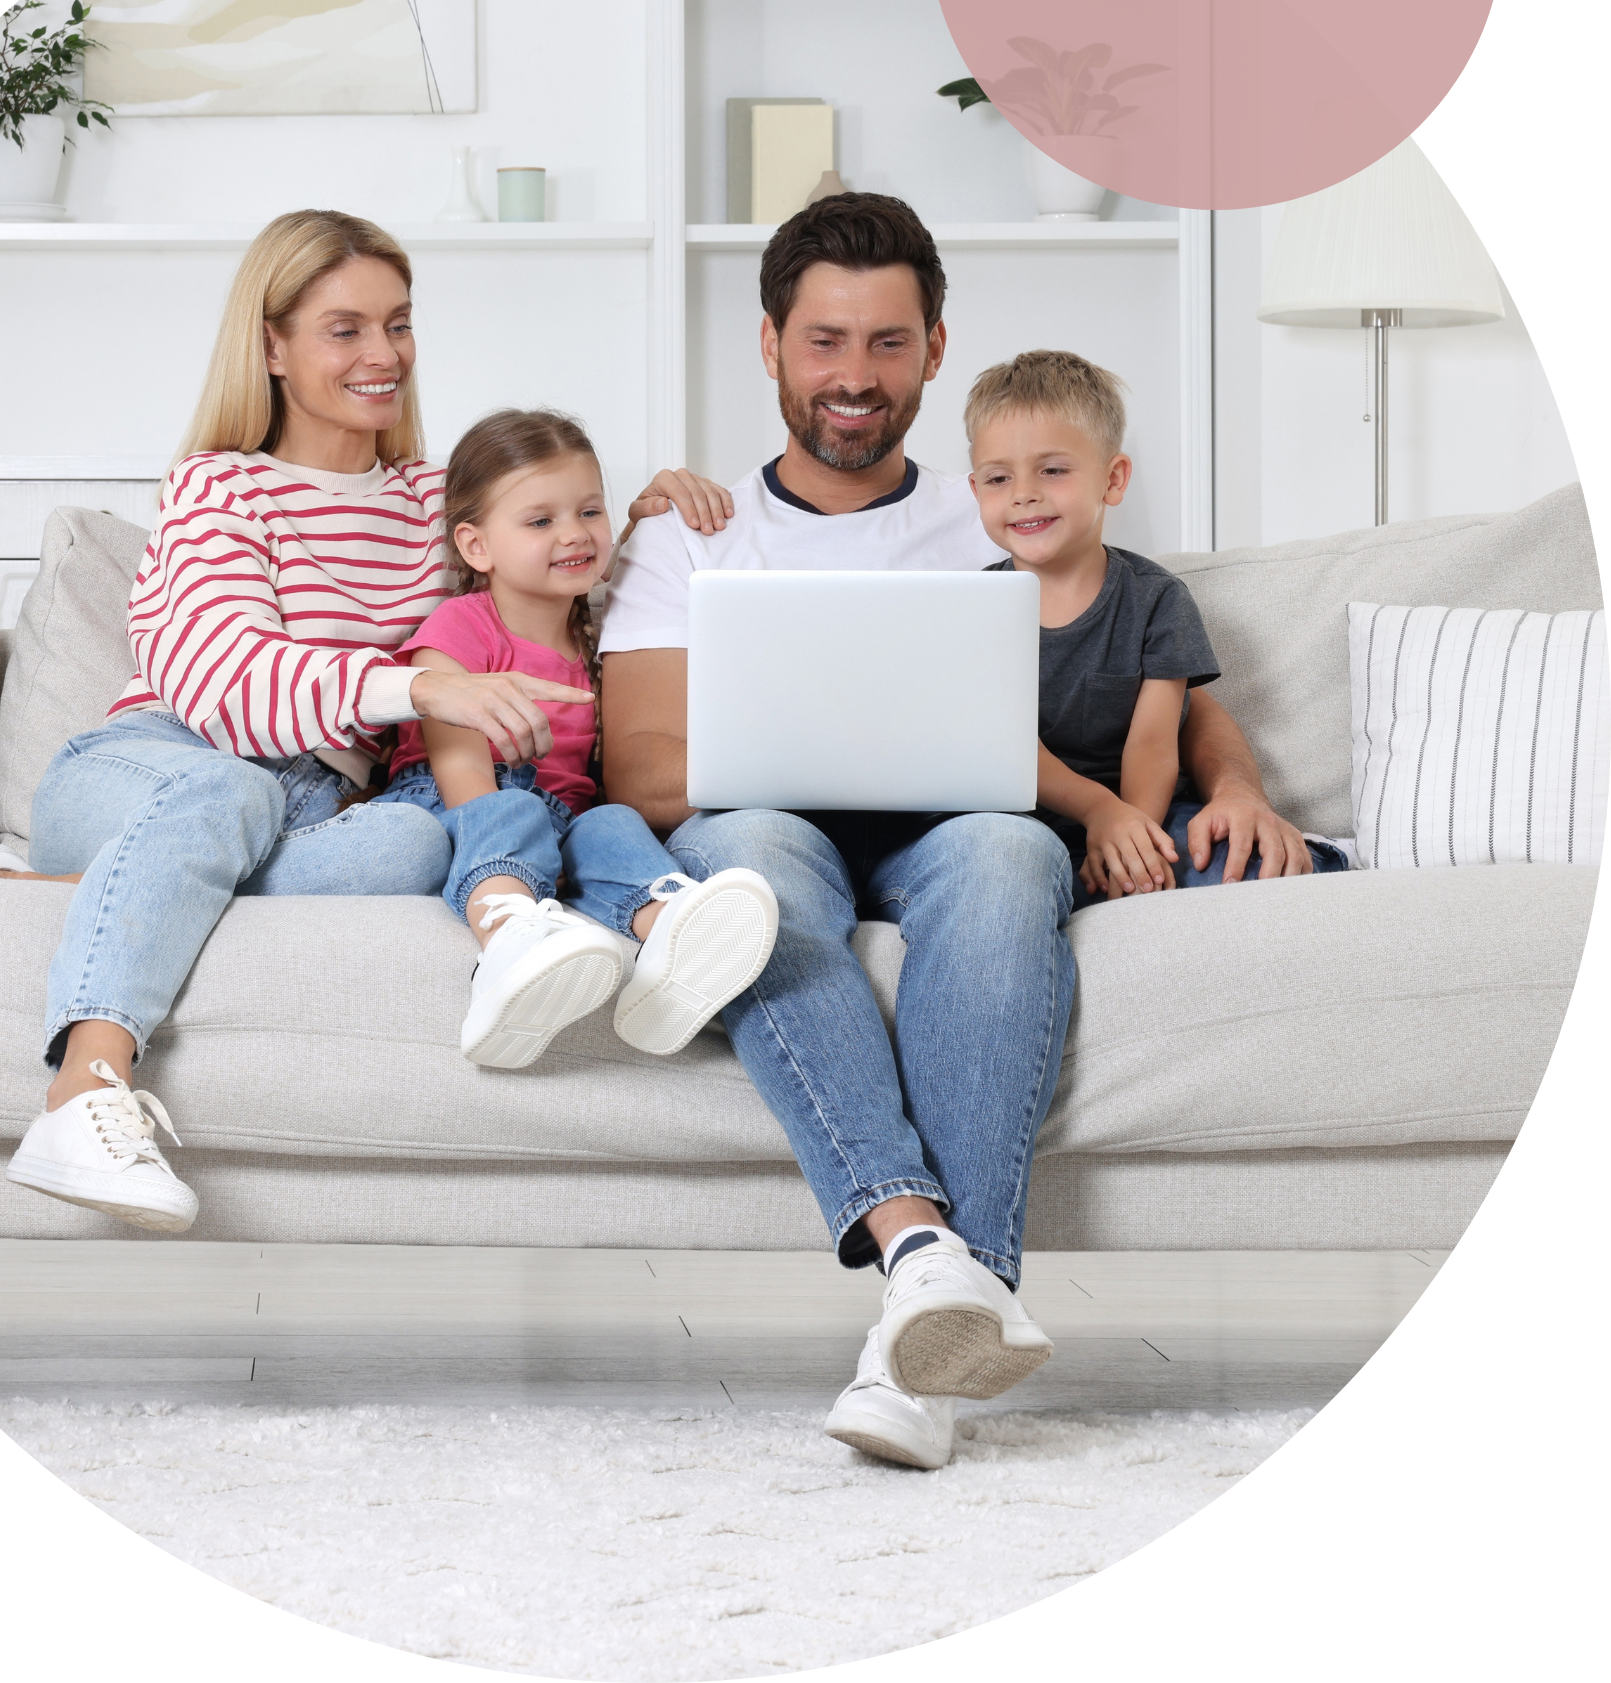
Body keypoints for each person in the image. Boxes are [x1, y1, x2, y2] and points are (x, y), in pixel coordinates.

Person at [0, 208, 733, 1235]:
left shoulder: (434, 502)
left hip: (319, 811)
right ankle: (83, 1091)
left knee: (424, 837)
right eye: (345, 329)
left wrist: (645, 521)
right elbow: (223, 679)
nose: (384, 355)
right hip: (158, 764)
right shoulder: (220, 489)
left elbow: (544, 543)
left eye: (399, 324)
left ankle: (14, 886)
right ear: (273, 347)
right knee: (230, 788)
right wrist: (416, 688)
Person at [599, 191, 1322, 1471]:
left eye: (888, 342)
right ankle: (929, 1260)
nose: (855, 377)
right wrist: (807, 747)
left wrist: (1242, 784)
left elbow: (1157, 661)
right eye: (824, 341)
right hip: (767, 824)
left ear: (937, 348)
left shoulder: (1002, 501)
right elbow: (647, 770)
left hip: (962, 822)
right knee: (752, 865)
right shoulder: (692, 532)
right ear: (769, 347)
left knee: (1009, 853)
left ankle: (921, 1336)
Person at [369, 406, 779, 1069]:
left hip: (560, 820)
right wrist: (507, 860)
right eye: (540, 521)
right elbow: (456, 759)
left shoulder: (599, 631)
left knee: (610, 820)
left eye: (590, 511)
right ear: (476, 546)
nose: (575, 534)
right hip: (462, 804)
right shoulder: (460, 623)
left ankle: (672, 933)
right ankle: (506, 942)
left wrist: (656, 522)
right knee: (518, 808)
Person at [967, 349, 1350, 907]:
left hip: (1142, 807)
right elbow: (1006, 745)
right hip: (1023, 828)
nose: (1024, 492)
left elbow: (1153, 741)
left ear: (1113, 478)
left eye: (1052, 469)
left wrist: (1133, 835)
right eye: (998, 477)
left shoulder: (1157, 599)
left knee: (1250, 867)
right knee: (1007, 873)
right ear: (975, 490)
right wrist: (1099, 812)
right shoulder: (976, 606)